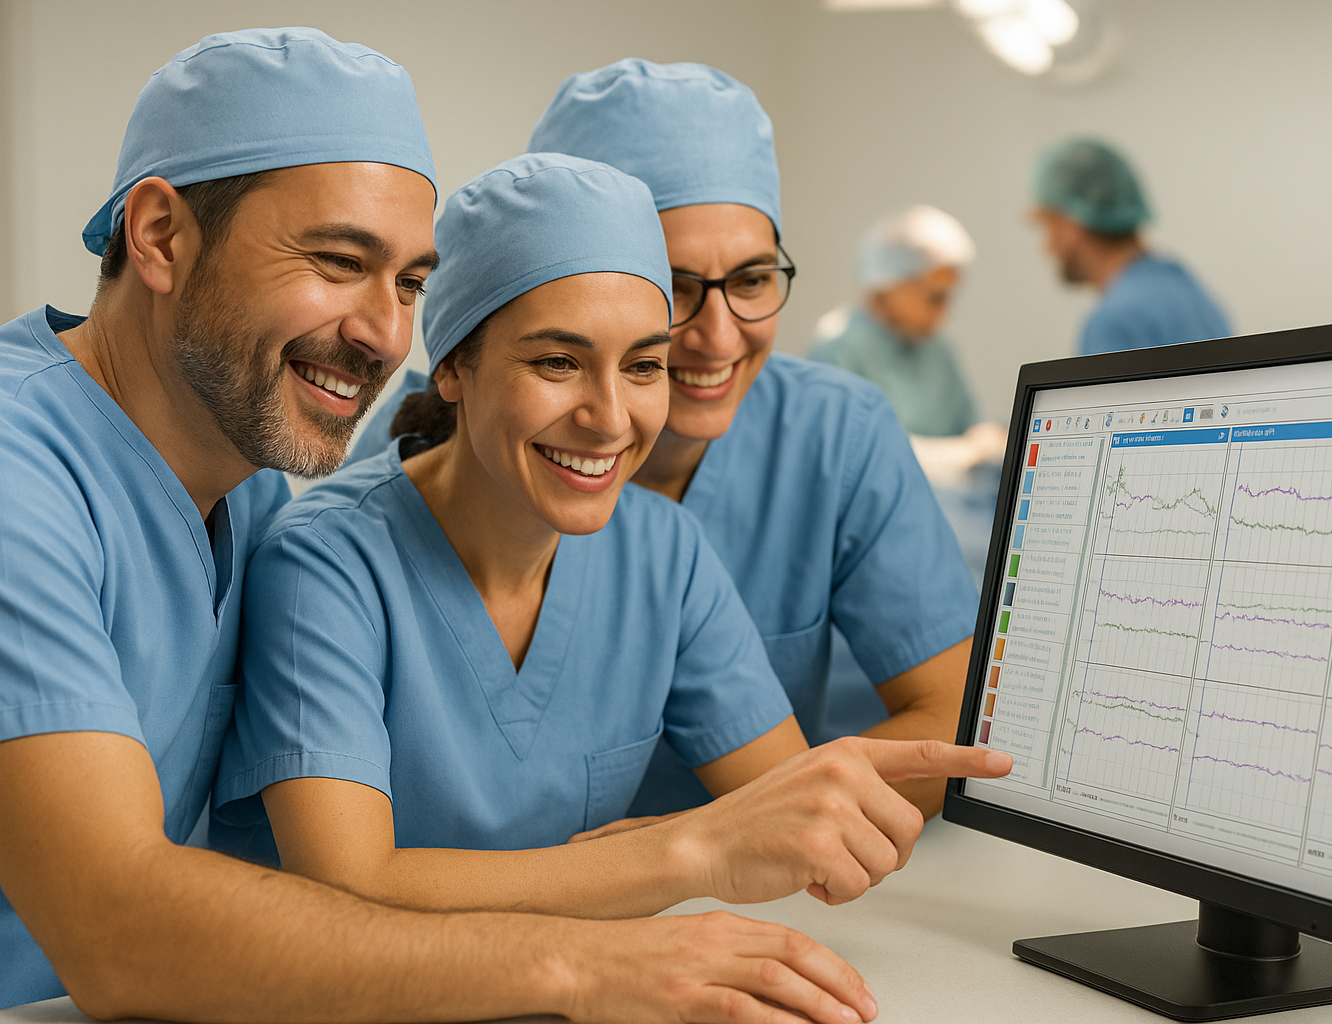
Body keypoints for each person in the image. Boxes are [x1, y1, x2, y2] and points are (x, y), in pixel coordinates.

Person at [0, 29, 1000, 1023]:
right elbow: (124, 925)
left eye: (406, 283)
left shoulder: (246, 481)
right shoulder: (37, 475)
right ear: (162, 235)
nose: (384, 334)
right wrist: (594, 952)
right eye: (338, 260)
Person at [211, 152, 1007, 920]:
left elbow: (791, 814)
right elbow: (349, 889)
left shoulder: (665, 555)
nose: (611, 420)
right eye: (558, 362)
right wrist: (681, 850)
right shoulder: (324, 562)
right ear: (452, 367)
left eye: (643, 366)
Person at [353, 60, 980, 820]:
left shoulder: (829, 439)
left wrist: (751, 839)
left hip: (730, 897)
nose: (718, 337)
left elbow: (956, 723)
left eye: (751, 280)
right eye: (674, 289)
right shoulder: (411, 479)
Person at [1030, 137, 1231, 356]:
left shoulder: (1113, 322)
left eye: (1046, 226)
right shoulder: (1189, 291)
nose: (1044, 248)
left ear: (1072, 225)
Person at [808, 205, 979, 437]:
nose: (945, 313)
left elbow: (970, 426)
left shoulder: (938, 351)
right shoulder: (838, 350)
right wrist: (955, 456)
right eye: (936, 298)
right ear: (891, 284)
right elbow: (850, 452)